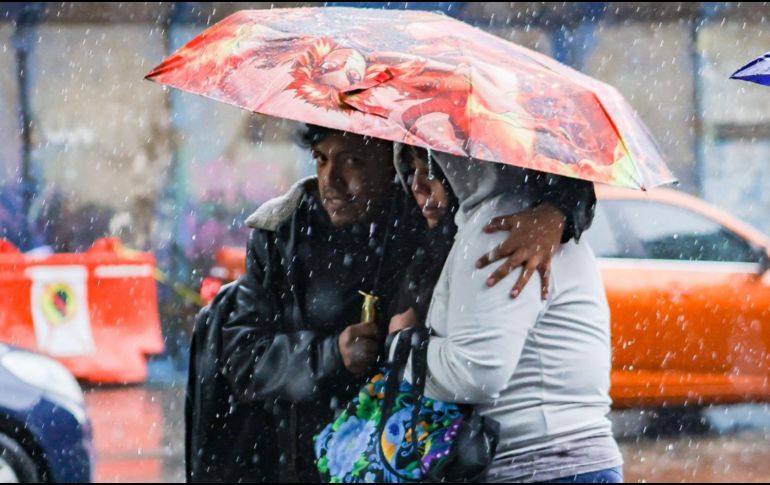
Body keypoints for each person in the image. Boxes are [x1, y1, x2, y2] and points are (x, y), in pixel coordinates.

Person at [185, 125, 594, 483]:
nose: (332, 179)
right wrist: (332, 355)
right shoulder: (282, 234)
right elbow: (244, 357)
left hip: (405, 456)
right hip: (306, 457)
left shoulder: (428, 211)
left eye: (353, 162)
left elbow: (523, 184)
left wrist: (558, 214)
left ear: (389, 159)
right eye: (322, 159)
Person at [390, 146, 622, 483]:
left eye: (426, 166)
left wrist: (401, 346)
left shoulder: (502, 226)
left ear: (459, 162)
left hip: (540, 466)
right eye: (410, 171)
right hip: (560, 461)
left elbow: (475, 372)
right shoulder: (527, 216)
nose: (416, 186)